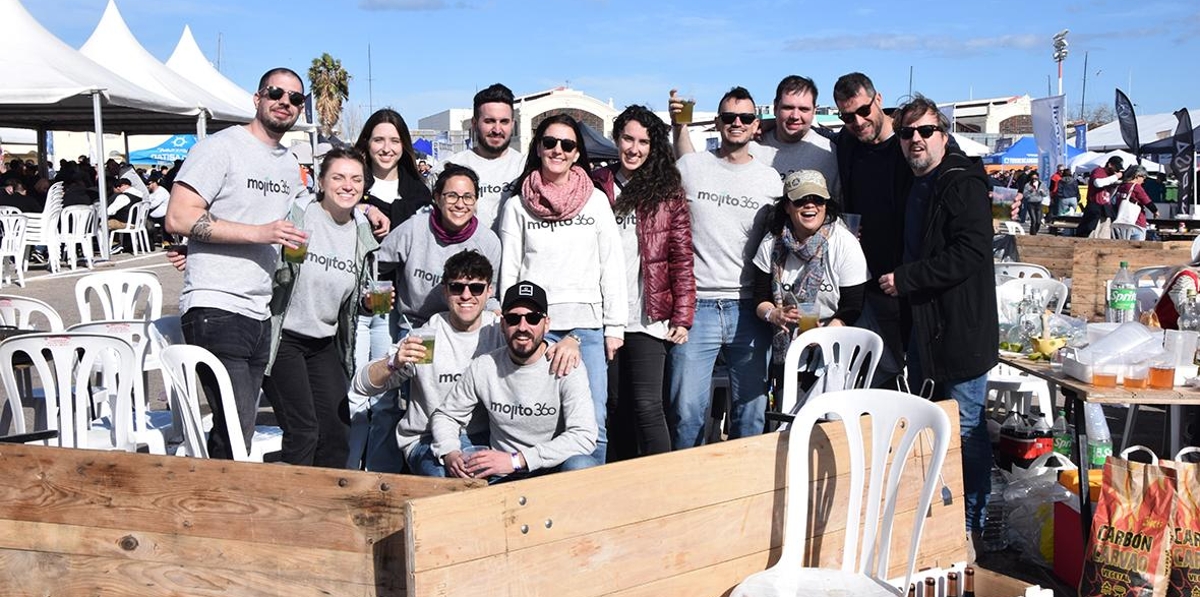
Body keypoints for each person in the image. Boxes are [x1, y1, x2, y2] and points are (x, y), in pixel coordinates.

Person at [164, 67, 309, 460]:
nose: (285, 102)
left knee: (238, 429)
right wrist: (260, 233)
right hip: (217, 305)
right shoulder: (220, 147)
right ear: (257, 97)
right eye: (276, 93)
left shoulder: (287, 162)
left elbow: (308, 214)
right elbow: (178, 217)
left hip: (261, 310)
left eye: (296, 98)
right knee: (235, 428)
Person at [877, 94, 997, 537]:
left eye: (926, 131)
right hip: (927, 329)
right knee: (936, 427)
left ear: (943, 136)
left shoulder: (960, 183)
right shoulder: (916, 182)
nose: (916, 140)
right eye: (907, 133)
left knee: (965, 430)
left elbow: (971, 251)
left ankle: (970, 529)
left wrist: (907, 279)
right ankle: (939, 529)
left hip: (961, 329)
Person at [499, 113, 626, 464]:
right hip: (534, 325)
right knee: (540, 421)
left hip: (586, 326)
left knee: (592, 422)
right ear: (538, 147)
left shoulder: (596, 201)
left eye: (567, 145)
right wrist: (511, 322)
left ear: (576, 153)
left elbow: (611, 265)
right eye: (550, 142)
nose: (558, 150)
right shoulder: (516, 205)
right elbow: (509, 272)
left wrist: (614, 328)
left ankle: (585, 502)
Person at [366, 164, 502, 472]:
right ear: (437, 198)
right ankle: (383, 476)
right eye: (452, 195)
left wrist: (494, 314)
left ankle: (454, 448)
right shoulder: (415, 229)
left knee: (458, 395)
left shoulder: (487, 241)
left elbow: (490, 293)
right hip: (416, 325)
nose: (460, 203)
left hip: (464, 327)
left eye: (468, 197)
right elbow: (375, 261)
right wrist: (374, 293)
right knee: (390, 404)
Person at [668, 86, 781, 450]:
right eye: (729, 117)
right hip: (695, 307)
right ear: (717, 122)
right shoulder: (691, 167)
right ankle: (689, 492)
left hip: (749, 306)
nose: (737, 123)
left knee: (751, 412)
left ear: (755, 126)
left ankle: (745, 491)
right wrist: (677, 124)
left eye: (745, 118)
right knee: (687, 412)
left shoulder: (769, 179)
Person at [260, 147, 381, 468]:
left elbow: (357, 296)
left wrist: (368, 304)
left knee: (337, 429)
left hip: (324, 342)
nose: (347, 185)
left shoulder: (361, 230)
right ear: (322, 182)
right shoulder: (300, 215)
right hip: (283, 337)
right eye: (338, 177)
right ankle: (293, 508)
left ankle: (329, 504)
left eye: (356, 179)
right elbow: (271, 261)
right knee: (304, 431)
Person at [591, 104, 695, 460]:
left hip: (648, 313)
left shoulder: (666, 190)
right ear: (616, 139)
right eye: (627, 139)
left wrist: (683, 315)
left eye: (643, 142)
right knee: (613, 403)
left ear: (654, 147)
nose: (634, 148)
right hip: (605, 314)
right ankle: (621, 478)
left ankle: (661, 485)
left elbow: (681, 255)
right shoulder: (597, 184)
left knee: (647, 405)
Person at [351, 250, 505, 476]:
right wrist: (393, 363)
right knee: (447, 482)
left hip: (482, 437)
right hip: (426, 437)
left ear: (489, 291)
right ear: (445, 291)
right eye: (456, 287)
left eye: (476, 288)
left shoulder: (498, 332)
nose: (466, 295)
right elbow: (361, 385)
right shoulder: (427, 337)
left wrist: (571, 340)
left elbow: (538, 345)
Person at [430, 280, 599, 481]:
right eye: (513, 318)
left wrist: (517, 460)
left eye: (533, 318)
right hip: (501, 474)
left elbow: (584, 436)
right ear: (502, 324)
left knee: (583, 466)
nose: (522, 327)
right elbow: (446, 415)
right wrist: (449, 452)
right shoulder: (484, 366)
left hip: (551, 469)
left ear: (547, 324)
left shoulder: (566, 364)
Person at [345, 108, 435, 470]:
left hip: (391, 309)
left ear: (405, 146)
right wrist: (363, 205)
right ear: (366, 143)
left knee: (384, 399)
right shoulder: (352, 183)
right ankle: (348, 472)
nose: (386, 148)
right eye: (378, 139)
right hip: (352, 304)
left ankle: (379, 478)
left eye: (394, 140)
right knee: (353, 398)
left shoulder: (418, 193)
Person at [752, 169, 868, 400]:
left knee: (828, 422)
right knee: (789, 418)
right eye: (801, 200)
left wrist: (823, 337)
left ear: (826, 204)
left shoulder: (844, 242)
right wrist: (773, 314)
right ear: (787, 206)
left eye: (817, 199)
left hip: (835, 346)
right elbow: (759, 297)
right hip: (786, 346)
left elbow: (853, 305)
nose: (810, 206)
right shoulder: (771, 243)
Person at [832, 72, 912, 388]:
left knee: (904, 374)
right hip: (865, 282)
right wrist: (765, 126)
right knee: (871, 376)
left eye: (864, 111)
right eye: (848, 116)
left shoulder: (909, 141)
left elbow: (950, 158)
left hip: (907, 280)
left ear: (878, 100)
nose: (858, 121)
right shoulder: (847, 143)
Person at [669, 76, 839, 202]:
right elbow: (693, 168)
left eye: (803, 109)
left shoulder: (828, 153)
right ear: (775, 107)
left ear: (815, 110)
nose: (795, 116)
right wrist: (679, 126)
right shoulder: (750, 143)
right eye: (788, 107)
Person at [437, 84, 524, 230]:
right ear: (474, 123)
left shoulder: (526, 167)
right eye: (489, 121)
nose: (497, 129)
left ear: (512, 124)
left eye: (504, 121)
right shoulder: (450, 167)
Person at [1077, 155, 1124, 238]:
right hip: (1095, 205)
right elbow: (1098, 183)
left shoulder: (1110, 177)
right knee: (1091, 232)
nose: (1116, 171)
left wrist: (1115, 185)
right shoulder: (1099, 171)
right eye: (1115, 168)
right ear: (1110, 165)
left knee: (1104, 234)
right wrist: (1116, 177)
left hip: (1106, 207)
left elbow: (1109, 194)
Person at [1111, 165, 1158, 240]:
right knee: (1137, 249)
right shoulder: (1136, 187)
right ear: (1137, 176)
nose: (1144, 180)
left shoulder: (1120, 187)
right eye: (1143, 177)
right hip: (1136, 224)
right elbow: (1147, 201)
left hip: (1120, 224)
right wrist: (1155, 211)